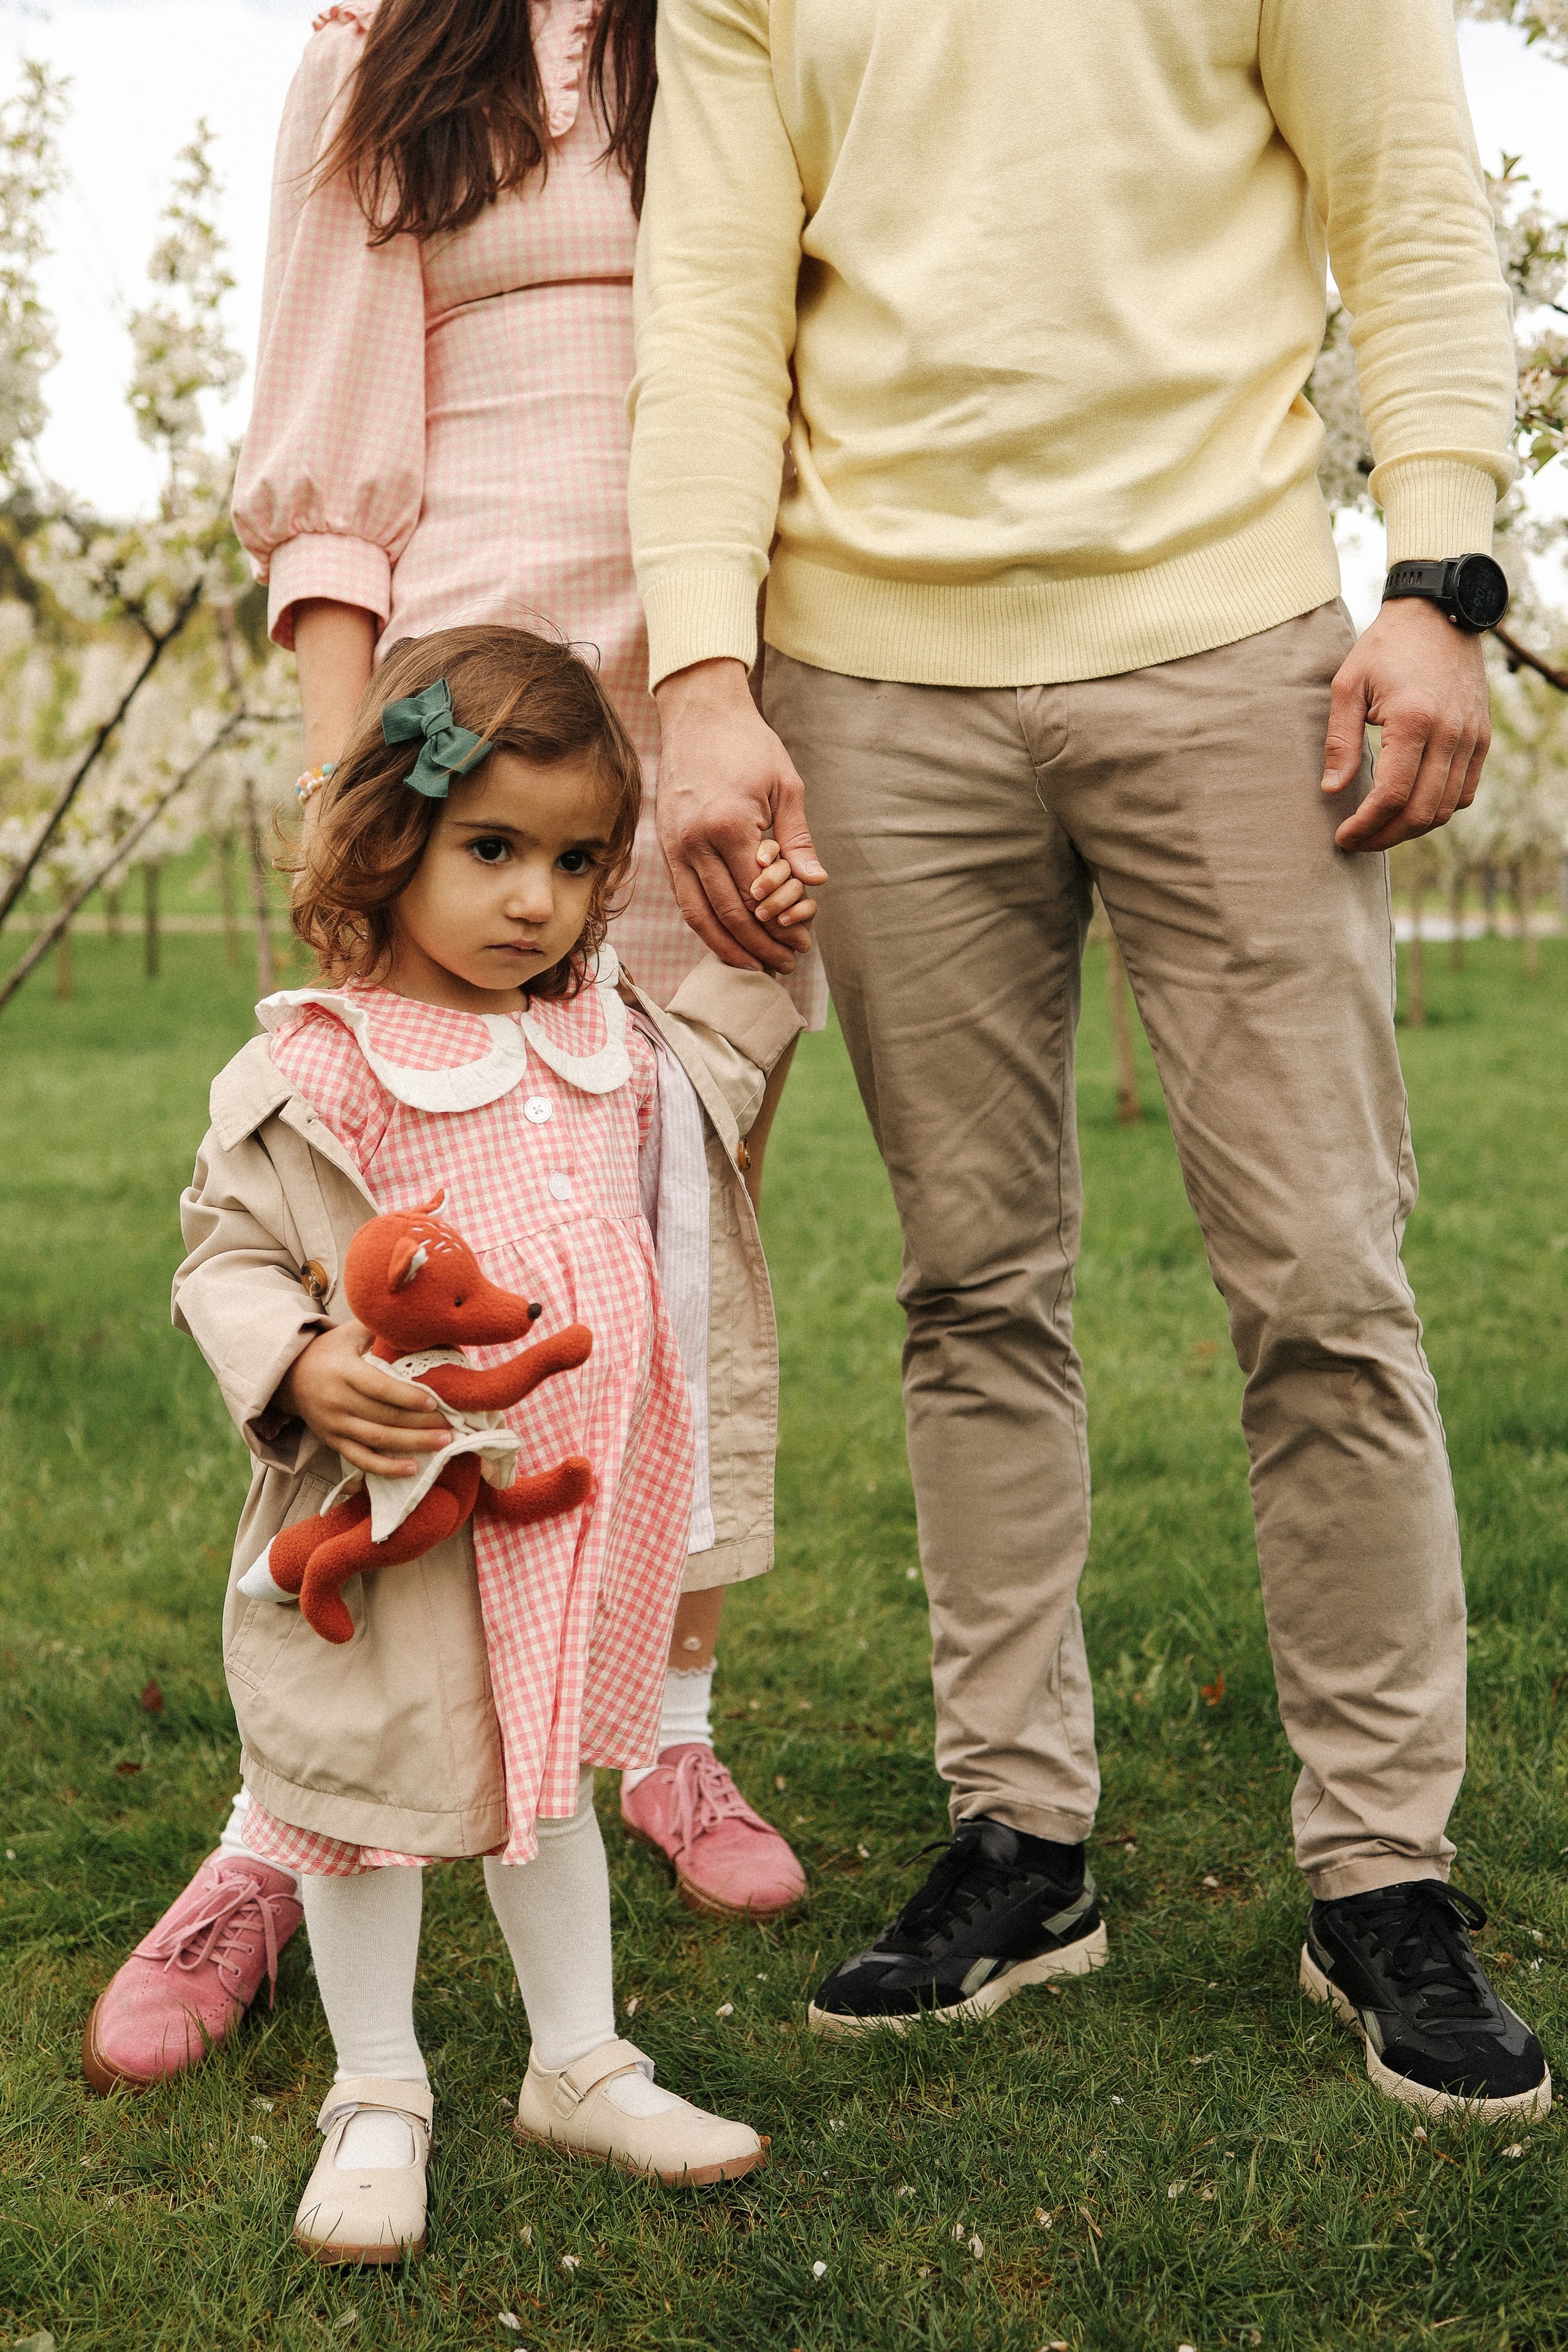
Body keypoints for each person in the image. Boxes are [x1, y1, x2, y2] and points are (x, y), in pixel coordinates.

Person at [625, 0, 1551, 2117]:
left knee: (1324, 1277)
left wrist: (1438, 572)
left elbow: (1411, 208)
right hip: (868, 681)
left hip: (1230, 649)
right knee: (970, 1287)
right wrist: (702, 671)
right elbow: (709, 307)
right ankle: (1022, 1835)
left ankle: (1383, 1872)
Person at [83, 0, 819, 2097]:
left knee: (659, 1256)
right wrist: (358, 800)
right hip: (474, 732)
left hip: (711, 721)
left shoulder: (748, 35)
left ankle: (653, 1734)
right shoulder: (387, 54)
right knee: (387, 1281)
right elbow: (330, 454)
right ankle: (281, 1821)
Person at [104, 627, 806, 2253]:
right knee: (367, 1798)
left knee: (545, 1785)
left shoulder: (602, 1038)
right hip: (399, 1517)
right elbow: (224, 1254)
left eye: (573, 862)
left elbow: (701, 1104)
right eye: (492, 849)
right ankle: (377, 2093)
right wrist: (296, 1363)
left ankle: (578, 2060)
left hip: (564, 1513)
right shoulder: (321, 1062)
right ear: (390, 836)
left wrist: (768, 954)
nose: (536, 901)